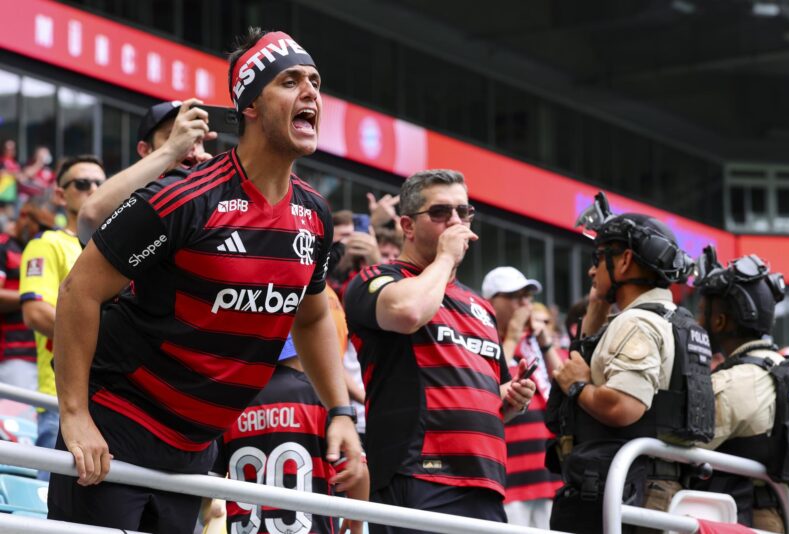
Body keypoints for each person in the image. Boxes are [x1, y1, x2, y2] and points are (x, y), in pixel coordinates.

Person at [48, 28, 362, 534]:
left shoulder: (315, 214)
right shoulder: (184, 198)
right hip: (116, 430)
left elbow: (313, 313)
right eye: (291, 81)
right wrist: (75, 414)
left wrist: (340, 411)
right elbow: (79, 290)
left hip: (194, 450)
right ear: (251, 106)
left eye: (315, 82)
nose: (311, 93)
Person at [344, 169, 535, 532]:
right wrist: (445, 258)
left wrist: (508, 400)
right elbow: (407, 312)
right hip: (418, 476)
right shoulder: (378, 278)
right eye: (440, 213)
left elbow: (493, 402)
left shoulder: (481, 306)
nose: (455, 223)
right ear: (408, 226)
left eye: (463, 213)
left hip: (485, 482)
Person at [548, 192, 704, 533]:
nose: (591, 269)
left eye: (599, 257)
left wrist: (577, 385)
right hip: (655, 486)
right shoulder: (678, 321)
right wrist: (597, 302)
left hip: (630, 495)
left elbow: (623, 406)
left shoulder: (636, 323)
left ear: (624, 261)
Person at [209, 335, 369, 534]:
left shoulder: (232, 403)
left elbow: (209, 482)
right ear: (301, 355)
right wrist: (357, 523)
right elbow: (358, 472)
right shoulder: (320, 399)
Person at [19, 155, 105, 480]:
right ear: (59, 195)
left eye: (100, 183)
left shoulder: (114, 247)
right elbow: (35, 311)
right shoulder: (48, 243)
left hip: (110, 404)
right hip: (60, 403)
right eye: (81, 184)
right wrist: (106, 337)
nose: (93, 189)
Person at [692, 247, 787, 531]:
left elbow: (681, 443)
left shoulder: (736, 381)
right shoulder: (783, 368)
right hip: (784, 513)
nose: (697, 322)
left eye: (700, 313)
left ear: (719, 321)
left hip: (750, 520)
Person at [481, 266, 562, 529]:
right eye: (516, 297)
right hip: (510, 482)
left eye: (528, 297)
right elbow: (490, 383)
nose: (525, 304)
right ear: (492, 302)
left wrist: (545, 341)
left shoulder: (532, 343)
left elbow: (564, 383)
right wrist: (512, 335)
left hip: (546, 478)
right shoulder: (484, 338)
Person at [77, 99, 215, 244]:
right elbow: (91, 217)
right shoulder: (134, 204)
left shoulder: (217, 196)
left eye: (197, 139)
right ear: (145, 150)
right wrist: (172, 149)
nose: (189, 146)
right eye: (176, 136)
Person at [0, 199, 55, 390]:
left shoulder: (40, 247)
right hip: (12, 355)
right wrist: (34, 296)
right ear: (23, 216)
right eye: (40, 227)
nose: (43, 233)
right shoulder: (3, 245)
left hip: (42, 355)